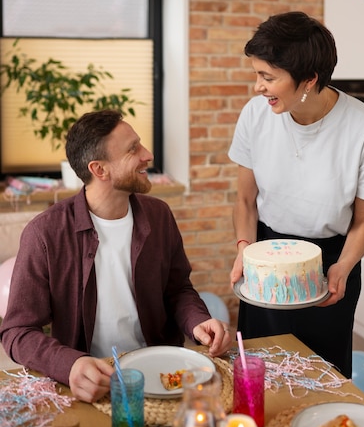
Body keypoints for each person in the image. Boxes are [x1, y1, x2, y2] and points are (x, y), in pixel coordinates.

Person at [0, 110, 232, 402]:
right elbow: (17, 331)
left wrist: (198, 320)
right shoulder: (45, 234)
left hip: (161, 373)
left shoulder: (159, 216)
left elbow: (178, 291)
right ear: (99, 170)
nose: (147, 154)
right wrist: (69, 364)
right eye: (133, 149)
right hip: (92, 384)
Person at [228, 11, 364, 378]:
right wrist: (243, 249)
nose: (258, 87)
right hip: (265, 257)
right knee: (260, 371)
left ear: (309, 80)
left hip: (330, 261)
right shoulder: (255, 116)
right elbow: (245, 201)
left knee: (321, 376)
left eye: (268, 77)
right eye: (257, 74)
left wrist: (343, 268)